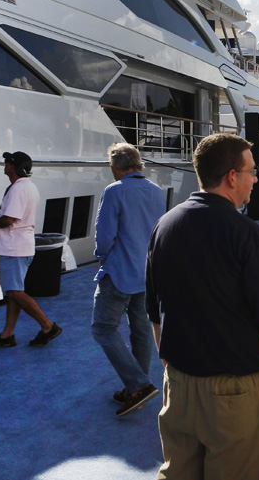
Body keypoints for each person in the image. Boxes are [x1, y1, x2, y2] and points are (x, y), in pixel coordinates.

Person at [146, 133, 259, 478]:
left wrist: (175, 373)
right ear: (232, 176)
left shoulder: (165, 226)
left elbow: (156, 312)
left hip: (179, 387)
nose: (255, 180)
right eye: (252, 171)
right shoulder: (246, 235)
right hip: (237, 395)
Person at [92, 143, 166, 416]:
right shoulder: (156, 191)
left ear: (116, 166)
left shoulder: (115, 191)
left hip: (120, 272)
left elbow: (104, 235)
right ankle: (137, 387)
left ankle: (139, 385)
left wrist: (101, 257)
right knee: (141, 331)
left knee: (103, 328)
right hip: (148, 273)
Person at [0, 151, 62, 348]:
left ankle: (47, 326)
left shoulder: (18, 189)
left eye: (8, 162)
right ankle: (7, 335)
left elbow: (9, 219)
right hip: (21, 246)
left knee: (14, 293)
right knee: (14, 293)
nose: (5, 164)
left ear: (13, 167)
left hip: (13, 248)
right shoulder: (28, 186)